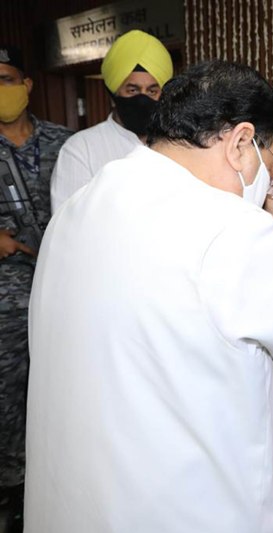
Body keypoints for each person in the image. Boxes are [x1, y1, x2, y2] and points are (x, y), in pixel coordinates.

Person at [25, 60, 273, 532]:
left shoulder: (81, 204)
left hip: (81, 505)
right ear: (240, 143)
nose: (271, 183)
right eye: (272, 164)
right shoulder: (230, 231)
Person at [0, 44, 72, 532]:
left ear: (27, 85)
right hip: (5, 294)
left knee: (63, 381)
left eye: (7, 79)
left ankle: (58, 477)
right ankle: (11, 488)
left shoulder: (66, 143)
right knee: (9, 388)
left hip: (65, 285)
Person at [49, 29, 173, 211]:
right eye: (133, 90)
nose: (143, 98)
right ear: (113, 95)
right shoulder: (81, 149)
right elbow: (67, 223)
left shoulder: (179, 143)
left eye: (152, 91)